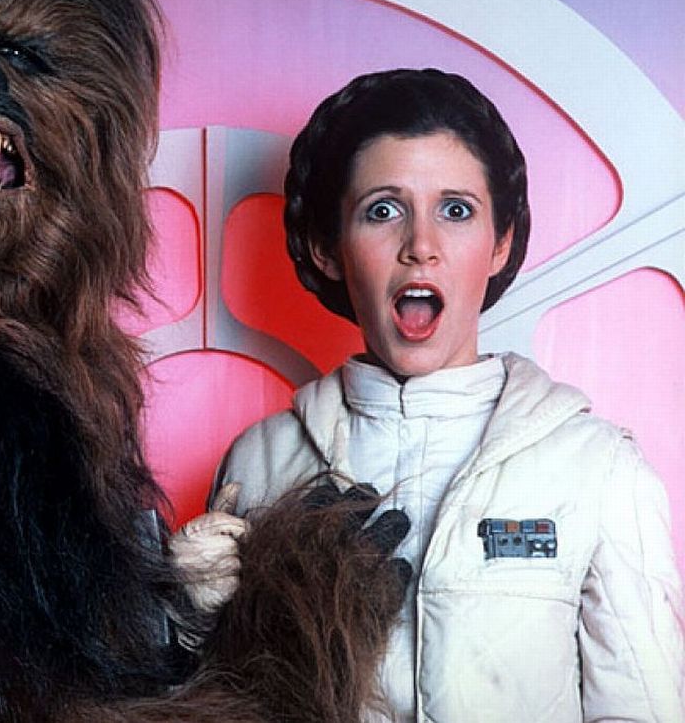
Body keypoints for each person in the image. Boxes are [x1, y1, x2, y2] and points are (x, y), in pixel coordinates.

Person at [171, 69, 684, 722]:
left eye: (456, 210)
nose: (421, 247)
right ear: (329, 248)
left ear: (500, 243)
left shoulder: (598, 468)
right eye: (383, 211)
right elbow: (219, 705)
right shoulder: (261, 463)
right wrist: (196, 618)